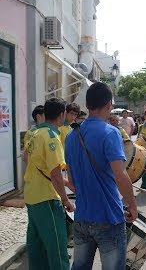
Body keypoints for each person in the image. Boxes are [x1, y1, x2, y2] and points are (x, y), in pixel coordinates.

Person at [65, 82, 137, 269]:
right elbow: (120, 176)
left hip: (82, 217)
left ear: (87, 106)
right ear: (109, 105)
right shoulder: (111, 133)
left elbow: (72, 182)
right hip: (108, 217)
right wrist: (132, 204)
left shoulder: (71, 136)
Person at [24, 98, 75, 270]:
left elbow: (29, 161)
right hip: (47, 198)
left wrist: (67, 184)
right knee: (57, 248)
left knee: (36, 246)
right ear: (61, 115)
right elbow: (55, 173)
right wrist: (66, 200)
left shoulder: (32, 133)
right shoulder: (52, 136)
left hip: (31, 195)